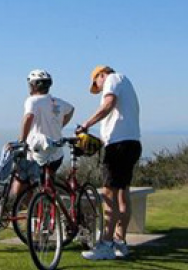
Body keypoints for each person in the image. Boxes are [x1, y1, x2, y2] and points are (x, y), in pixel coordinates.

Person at [78, 65, 142, 260]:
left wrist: (86, 124)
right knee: (123, 195)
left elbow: (108, 105)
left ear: (101, 75)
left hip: (118, 146)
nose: (98, 87)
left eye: (96, 83)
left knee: (109, 195)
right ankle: (120, 242)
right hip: (132, 142)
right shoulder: (126, 82)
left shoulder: (112, 80)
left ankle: (105, 244)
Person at [9, 69, 75, 199]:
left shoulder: (32, 101)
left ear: (32, 85)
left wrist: (21, 140)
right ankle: (47, 212)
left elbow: (28, 117)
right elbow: (71, 110)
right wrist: (59, 126)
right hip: (55, 153)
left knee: (20, 186)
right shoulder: (57, 102)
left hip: (37, 152)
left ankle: (31, 214)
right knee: (47, 185)